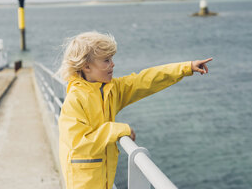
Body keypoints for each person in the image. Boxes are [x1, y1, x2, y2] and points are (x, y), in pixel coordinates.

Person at [57, 31, 212, 189]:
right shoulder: (75, 99)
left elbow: (145, 80)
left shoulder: (110, 90)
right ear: (86, 66)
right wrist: (119, 129)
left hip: (104, 181)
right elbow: (78, 144)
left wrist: (187, 67)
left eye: (111, 59)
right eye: (106, 60)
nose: (113, 64)